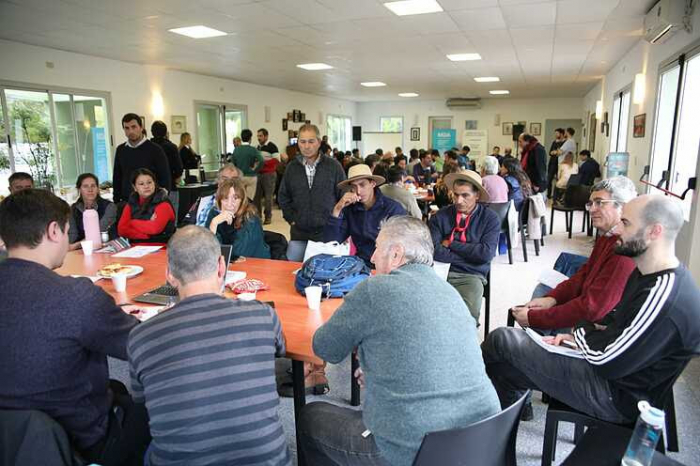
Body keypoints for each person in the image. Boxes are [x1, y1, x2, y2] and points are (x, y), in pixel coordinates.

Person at [483, 194, 700, 426]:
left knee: (502, 339)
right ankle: (496, 431)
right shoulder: (648, 272)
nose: (618, 230)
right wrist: (576, 337)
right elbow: (617, 323)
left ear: (653, 232)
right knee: (503, 368)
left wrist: (579, 331)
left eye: (625, 223)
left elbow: (606, 359)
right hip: (610, 373)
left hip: (615, 395)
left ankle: (470, 402)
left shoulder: (662, 293)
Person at [300, 216, 500, 466]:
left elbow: (325, 348)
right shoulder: (451, 292)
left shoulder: (374, 289)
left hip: (413, 449)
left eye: (376, 247)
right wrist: (377, 365)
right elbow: (434, 352)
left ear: (396, 254)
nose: (371, 257)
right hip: (482, 439)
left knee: (311, 416)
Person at [0, 189, 149, 465]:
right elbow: (141, 344)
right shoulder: (75, 296)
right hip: (78, 444)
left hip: (11, 441)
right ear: (54, 230)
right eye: (68, 231)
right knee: (151, 407)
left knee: (115, 386)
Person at [128, 226, 290, 466]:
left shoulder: (140, 338)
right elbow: (281, 352)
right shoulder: (263, 316)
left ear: (170, 275)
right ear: (221, 267)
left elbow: (141, 399)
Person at [510, 177, 638, 332]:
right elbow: (584, 274)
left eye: (599, 203)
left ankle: (533, 343)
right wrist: (553, 298)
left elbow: (593, 309)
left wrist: (534, 318)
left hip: (598, 330)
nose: (591, 209)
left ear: (622, 207)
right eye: (590, 203)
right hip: (590, 307)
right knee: (543, 292)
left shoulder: (623, 250)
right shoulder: (608, 236)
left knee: (503, 339)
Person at [429, 171, 500, 322]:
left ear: (477, 196)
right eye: (455, 195)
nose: (458, 200)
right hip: (438, 272)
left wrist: (451, 244)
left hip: (471, 276)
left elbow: (486, 254)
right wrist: (470, 256)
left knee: (466, 316)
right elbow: (433, 250)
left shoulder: (490, 219)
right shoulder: (440, 216)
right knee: (425, 309)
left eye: (465, 195)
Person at [325, 164, 405, 267]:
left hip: (388, 265)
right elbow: (331, 242)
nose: (358, 191)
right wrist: (337, 208)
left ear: (373, 184)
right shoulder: (350, 210)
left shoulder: (392, 208)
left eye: (362, 185)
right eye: (354, 187)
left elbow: (403, 245)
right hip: (361, 265)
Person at [277, 123, 346, 242]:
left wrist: (338, 223)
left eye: (311, 141)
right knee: (293, 260)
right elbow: (283, 196)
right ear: (298, 143)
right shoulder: (292, 167)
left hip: (327, 232)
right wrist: (291, 219)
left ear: (319, 143)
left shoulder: (334, 166)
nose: (307, 146)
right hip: (299, 232)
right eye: (302, 142)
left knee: (324, 261)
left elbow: (343, 195)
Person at [112, 113, 171, 203]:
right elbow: (117, 177)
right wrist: (116, 200)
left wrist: (159, 200)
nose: (131, 131)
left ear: (141, 127)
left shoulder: (155, 149)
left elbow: (165, 178)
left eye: (134, 127)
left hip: (151, 202)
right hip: (126, 202)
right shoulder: (121, 150)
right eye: (127, 128)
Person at [205, 178, 271, 259]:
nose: (229, 204)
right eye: (225, 198)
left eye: (235, 198)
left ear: (242, 200)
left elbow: (238, 253)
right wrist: (213, 224)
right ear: (219, 200)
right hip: (228, 265)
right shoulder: (214, 214)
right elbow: (205, 250)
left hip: (255, 264)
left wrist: (215, 245)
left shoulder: (250, 217)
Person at [117, 168, 176, 243]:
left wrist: (132, 222)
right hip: (135, 248)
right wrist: (146, 235)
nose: (146, 186)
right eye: (141, 184)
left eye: (149, 182)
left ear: (154, 183)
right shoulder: (131, 204)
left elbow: (154, 229)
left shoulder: (163, 204)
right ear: (134, 187)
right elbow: (122, 230)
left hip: (162, 248)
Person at [68, 173, 117, 249]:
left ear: (97, 189)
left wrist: (75, 246)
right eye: (85, 186)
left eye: (93, 186)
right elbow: (72, 235)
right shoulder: (73, 209)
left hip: (106, 248)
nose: (90, 190)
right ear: (79, 189)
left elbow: (97, 233)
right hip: (81, 251)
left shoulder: (110, 207)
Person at [151, 121, 183, 212]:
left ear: (152, 132)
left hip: (151, 189)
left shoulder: (148, 147)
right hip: (170, 187)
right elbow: (178, 169)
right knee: (171, 218)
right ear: (166, 132)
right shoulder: (171, 147)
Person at [254, 128, 280, 225]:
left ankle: (268, 217)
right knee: (257, 197)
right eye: (258, 136)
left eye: (260, 136)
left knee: (268, 197)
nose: (259, 138)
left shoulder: (272, 146)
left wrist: (263, 163)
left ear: (266, 136)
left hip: (269, 174)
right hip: (258, 174)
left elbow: (277, 160)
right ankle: (258, 217)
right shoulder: (257, 147)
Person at [232, 129, 264, 200]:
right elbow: (261, 161)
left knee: (240, 198)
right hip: (251, 177)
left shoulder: (236, 150)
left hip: (240, 176)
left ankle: (241, 210)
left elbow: (233, 164)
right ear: (250, 138)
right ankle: (248, 209)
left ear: (242, 138)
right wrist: (256, 170)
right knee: (249, 199)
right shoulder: (253, 150)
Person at [547, 128, 565, 197]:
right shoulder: (554, 142)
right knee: (549, 179)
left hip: (560, 163)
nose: (556, 135)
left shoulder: (564, 142)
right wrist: (555, 152)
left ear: (561, 134)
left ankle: (557, 196)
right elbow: (550, 152)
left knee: (559, 180)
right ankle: (548, 195)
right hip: (552, 163)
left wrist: (556, 152)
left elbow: (561, 152)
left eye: (557, 133)